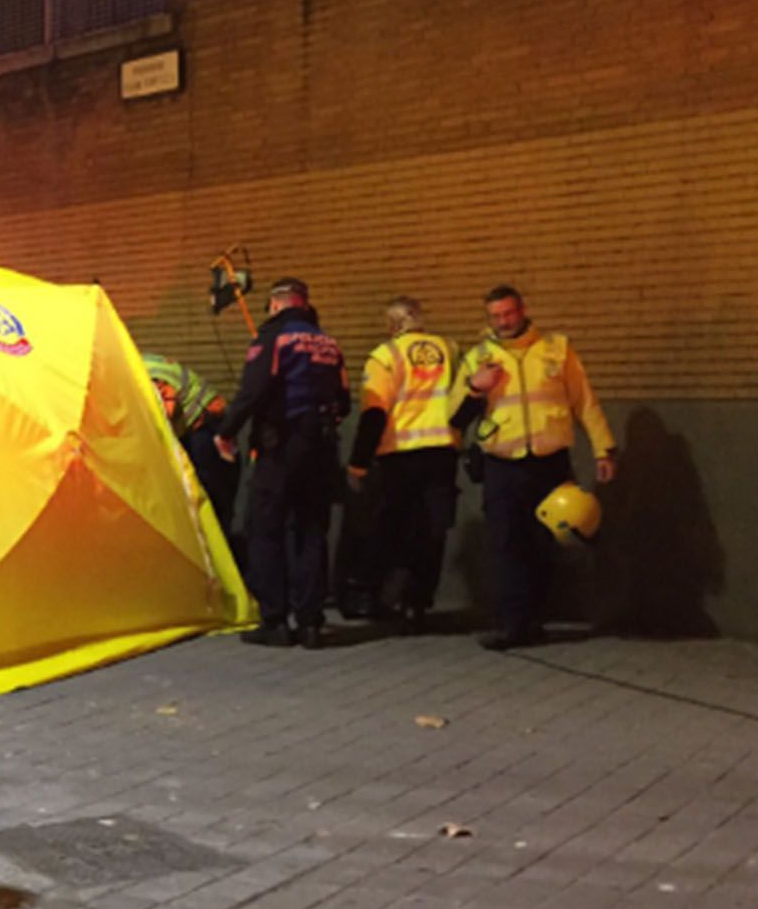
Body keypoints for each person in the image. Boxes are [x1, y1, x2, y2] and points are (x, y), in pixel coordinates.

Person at [451, 285, 617, 650]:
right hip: (502, 464)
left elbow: (585, 402)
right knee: (506, 545)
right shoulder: (479, 357)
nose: (503, 322)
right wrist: (475, 388)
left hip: (549, 462)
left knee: (544, 544)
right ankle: (513, 624)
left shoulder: (556, 350)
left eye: (508, 313)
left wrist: (604, 450)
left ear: (522, 310)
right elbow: (454, 415)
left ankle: (535, 620)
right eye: (495, 316)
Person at [213, 278, 349, 649]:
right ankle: (310, 623)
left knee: (265, 529)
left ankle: (274, 620)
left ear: (275, 305)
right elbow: (344, 401)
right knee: (310, 532)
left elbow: (252, 392)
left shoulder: (272, 338)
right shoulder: (328, 343)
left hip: (282, 446)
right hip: (321, 448)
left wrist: (227, 432)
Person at [345, 296, 459, 632]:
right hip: (442, 451)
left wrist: (358, 463)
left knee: (394, 530)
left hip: (400, 455)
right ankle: (419, 603)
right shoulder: (450, 349)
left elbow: (375, 412)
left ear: (392, 324)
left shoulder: (385, 356)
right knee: (433, 530)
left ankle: (387, 598)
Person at [145, 353, 242, 563]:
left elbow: (168, 406)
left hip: (205, 428)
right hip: (209, 426)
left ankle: (219, 563)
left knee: (209, 499)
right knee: (215, 502)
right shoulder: (144, 362)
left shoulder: (145, 373)